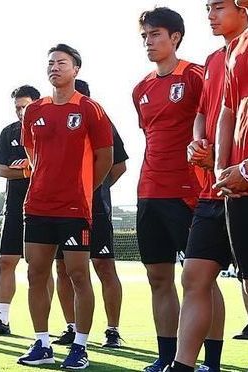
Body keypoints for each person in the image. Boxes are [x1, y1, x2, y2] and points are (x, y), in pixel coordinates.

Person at [16, 44, 113, 369]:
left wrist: (84, 189)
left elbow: (106, 158)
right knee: (36, 273)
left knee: (78, 275)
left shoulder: (90, 109)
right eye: (51, 63)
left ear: (76, 69)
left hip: (74, 208)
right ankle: (41, 343)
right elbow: (32, 153)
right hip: (38, 205)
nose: (55, 67)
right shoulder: (34, 111)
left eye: (62, 62)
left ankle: (80, 346)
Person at [169, 2, 248, 371]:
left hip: (241, 182)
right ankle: (183, 365)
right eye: (207, 8)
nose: (210, 15)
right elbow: (212, 112)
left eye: (217, 7)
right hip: (216, 188)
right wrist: (199, 145)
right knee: (194, 274)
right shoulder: (219, 59)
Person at [132, 7, 205, 372]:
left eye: (155, 34)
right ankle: (166, 358)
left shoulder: (196, 76)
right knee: (157, 277)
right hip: (148, 193)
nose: (148, 41)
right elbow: (149, 136)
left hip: (189, 192)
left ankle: (213, 361)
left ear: (175, 37)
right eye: (144, 35)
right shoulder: (140, 88)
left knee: (200, 280)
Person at [51, 79, 128, 349]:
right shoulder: (53, 119)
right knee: (63, 268)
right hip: (60, 209)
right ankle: (71, 327)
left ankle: (112, 330)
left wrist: (93, 187)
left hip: (96, 208)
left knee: (104, 266)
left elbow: (118, 167)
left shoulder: (101, 120)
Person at [0, 84, 45, 336]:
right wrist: (27, 169)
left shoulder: (49, 129)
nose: (20, 112)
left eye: (25, 107)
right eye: (17, 108)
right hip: (15, 207)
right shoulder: (8, 133)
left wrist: (27, 167)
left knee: (41, 267)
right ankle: (2, 320)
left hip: (44, 207)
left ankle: (52, 327)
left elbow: (46, 167)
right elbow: (2, 170)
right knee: (6, 261)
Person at [214, 0, 248, 351]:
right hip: (237, 187)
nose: (211, 15)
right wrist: (222, 168)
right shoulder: (234, 51)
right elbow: (227, 109)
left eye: (218, 6)